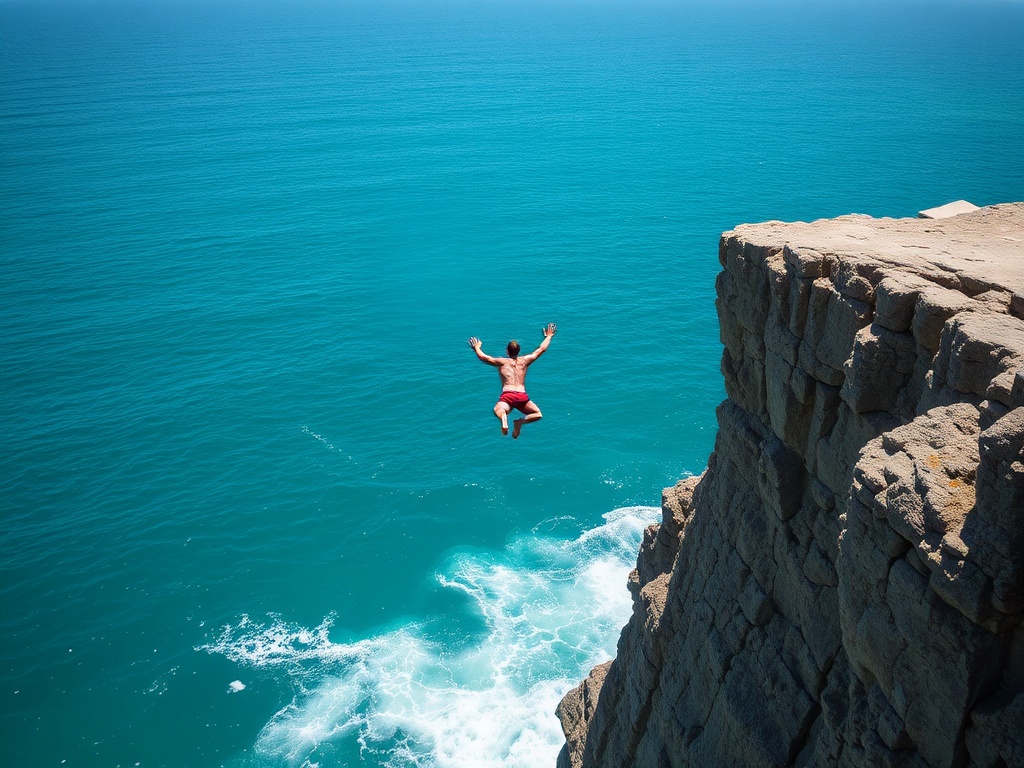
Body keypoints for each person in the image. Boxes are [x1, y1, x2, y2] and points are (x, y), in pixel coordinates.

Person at [468, 323, 556, 438]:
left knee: (498, 409)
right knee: (538, 414)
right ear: (518, 351)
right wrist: (549, 336)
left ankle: (503, 416)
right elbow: (541, 349)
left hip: (508, 394)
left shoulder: (502, 362)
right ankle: (520, 422)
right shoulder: (525, 361)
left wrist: (477, 348)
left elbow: (484, 358)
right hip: (522, 396)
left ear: (507, 351)